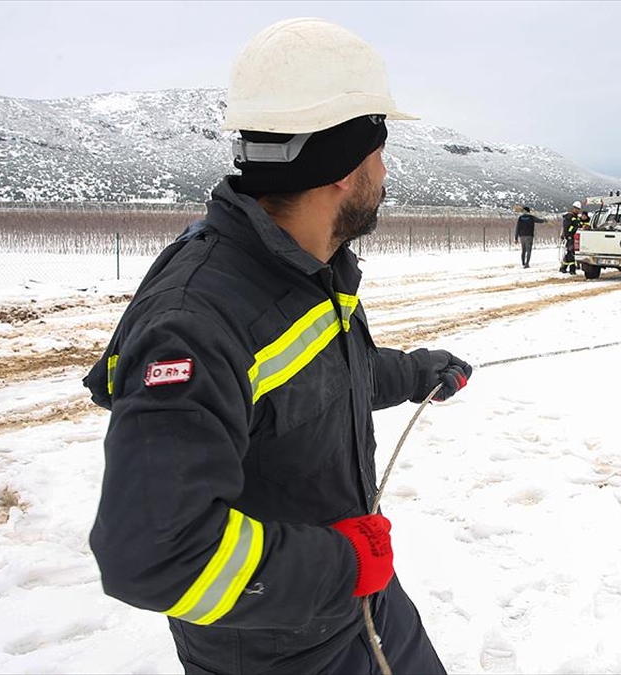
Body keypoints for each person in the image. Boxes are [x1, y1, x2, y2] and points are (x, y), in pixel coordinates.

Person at [83, 18, 470, 675]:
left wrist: (415, 373)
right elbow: (151, 552)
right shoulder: (196, 321)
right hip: (277, 648)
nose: (385, 168)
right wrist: (342, 563)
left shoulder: (307, 265)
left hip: (362, 605)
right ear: (344, 167)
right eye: (379, 148)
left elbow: (311, 380)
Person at [560, 201, 586, 274]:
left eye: (578, 209)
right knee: (571, 253)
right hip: (570, 237)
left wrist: (583, 226)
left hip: (575, 237)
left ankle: (563, 267)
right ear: (573, 208)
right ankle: (572, 269)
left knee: (569, 253)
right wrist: (577, 228)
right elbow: (568, 228)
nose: (577, 210)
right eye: (576, 209)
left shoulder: (576, 217)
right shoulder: (569, 216)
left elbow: (579, 224)